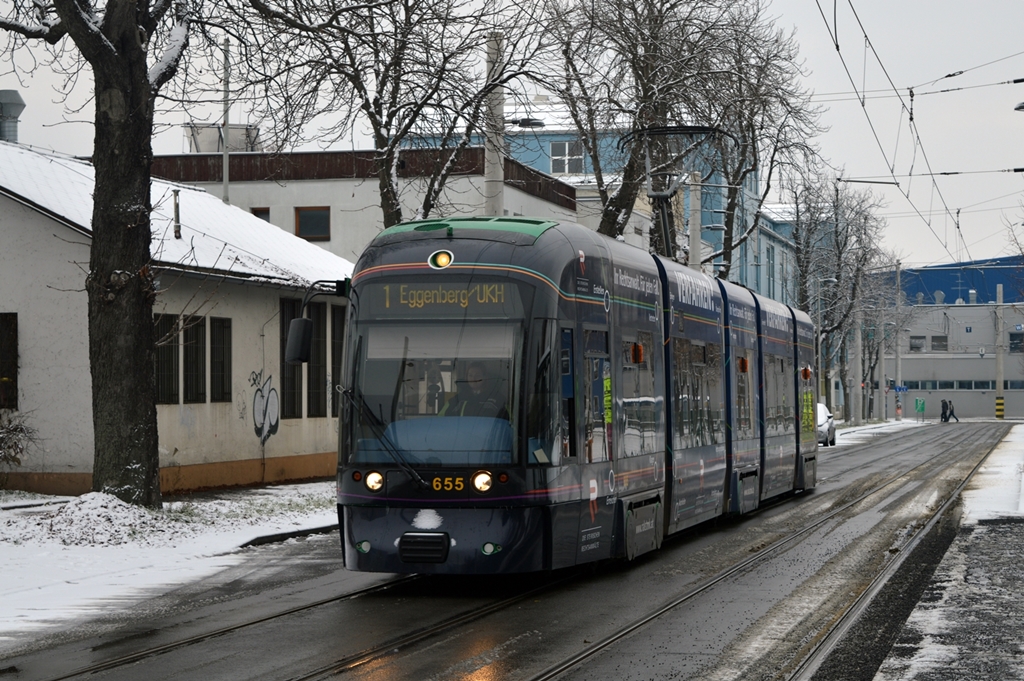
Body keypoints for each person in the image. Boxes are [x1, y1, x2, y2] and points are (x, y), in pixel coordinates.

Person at [440, 362, 506, 418]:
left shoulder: (498, 400)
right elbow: (441, 420)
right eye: (470, 375)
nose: (473, 378)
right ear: (466, 377)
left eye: (477, 375)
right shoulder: (457, 400)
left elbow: (509, 423)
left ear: (485, 377)